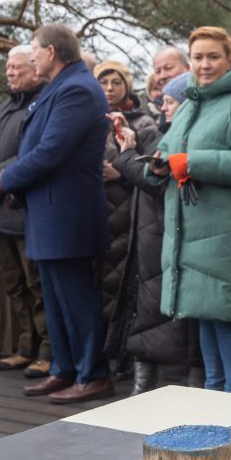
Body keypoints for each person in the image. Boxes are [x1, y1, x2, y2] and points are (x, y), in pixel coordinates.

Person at [147, 26, 231, 393]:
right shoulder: (190, 106)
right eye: (198, 57)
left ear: (230, 60)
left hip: (228, 239)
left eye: (213, 56)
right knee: (207, 316)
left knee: (228, 318)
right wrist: (155, 164)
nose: (204, 64)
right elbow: (168, 149)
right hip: (197, 236)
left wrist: (191, 163)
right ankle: (214, 401)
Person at [0, 24, 113, 404]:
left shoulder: (78, 89)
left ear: (51, 52)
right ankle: (64, 368)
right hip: (48, 214)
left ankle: (92, 373)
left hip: (68, 214)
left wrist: (5, 180)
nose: (31, 57)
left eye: (35, 49)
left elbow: (51, 151)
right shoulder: (60, 88)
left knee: (77, 299)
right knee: (56, 300)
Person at [114, 71, 203, 394]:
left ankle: (181, 389)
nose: (162, 107)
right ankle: (148, 387)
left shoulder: (183, 138)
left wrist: (126, 156)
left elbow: (155, 181)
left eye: (169, 101)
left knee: (170, 318)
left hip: (166, 234)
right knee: (151, 314)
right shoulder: (168, 134)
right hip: (154, 235)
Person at [0, 44, 51, 376]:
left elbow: (29, 154)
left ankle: (48, 350)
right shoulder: (7, 105)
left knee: (37, 285)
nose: (10, 72)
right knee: (13, 283)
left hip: (25, 208)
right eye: (8, 67)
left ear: (36, 69)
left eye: (17, 67)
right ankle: (25, 346)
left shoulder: (42, 104)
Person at [93, 60, 158, 378]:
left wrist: (121, 170)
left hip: (129, 211)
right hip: (96, 210)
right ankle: (105, 354)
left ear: (126, 85)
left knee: (123, 287)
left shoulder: (143, 122)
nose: (109, 89)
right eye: (103, 82)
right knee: (99, 284)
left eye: (115, 82)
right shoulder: (90, 117)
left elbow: (149, 167)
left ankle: (125, 356)